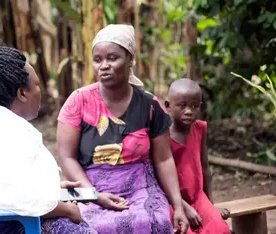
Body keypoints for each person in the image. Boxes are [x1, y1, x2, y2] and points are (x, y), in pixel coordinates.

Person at [0, 46, 97, 234]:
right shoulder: (18, 132)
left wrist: (49, 188)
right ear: (22, 93)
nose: (40, 91)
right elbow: (29, 202)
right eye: (38, 84)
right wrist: (68, 209)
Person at [56, 24, 189, 234]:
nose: (104, 66)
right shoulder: (78, 102)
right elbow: (67, 157)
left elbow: (164, 159)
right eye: (97, 60)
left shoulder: (150, 106)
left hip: (141, 186)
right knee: (94, 226)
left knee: (155, 221)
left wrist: (179, 206)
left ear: (130, 60)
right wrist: (93, 195)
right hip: (89, 184)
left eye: (112, 58)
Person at [164, 78, 231, 234]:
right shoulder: (162, 136)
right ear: (168, 106)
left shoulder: (200, 128)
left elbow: (205, 168)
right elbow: (159, 180)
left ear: (200, 107)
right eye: (182, 106)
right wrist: (182, 206)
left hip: (198, 198)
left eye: (194, 106)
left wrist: (211, 205)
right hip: (172, 201)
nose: (189, 111)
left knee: (220, 230)